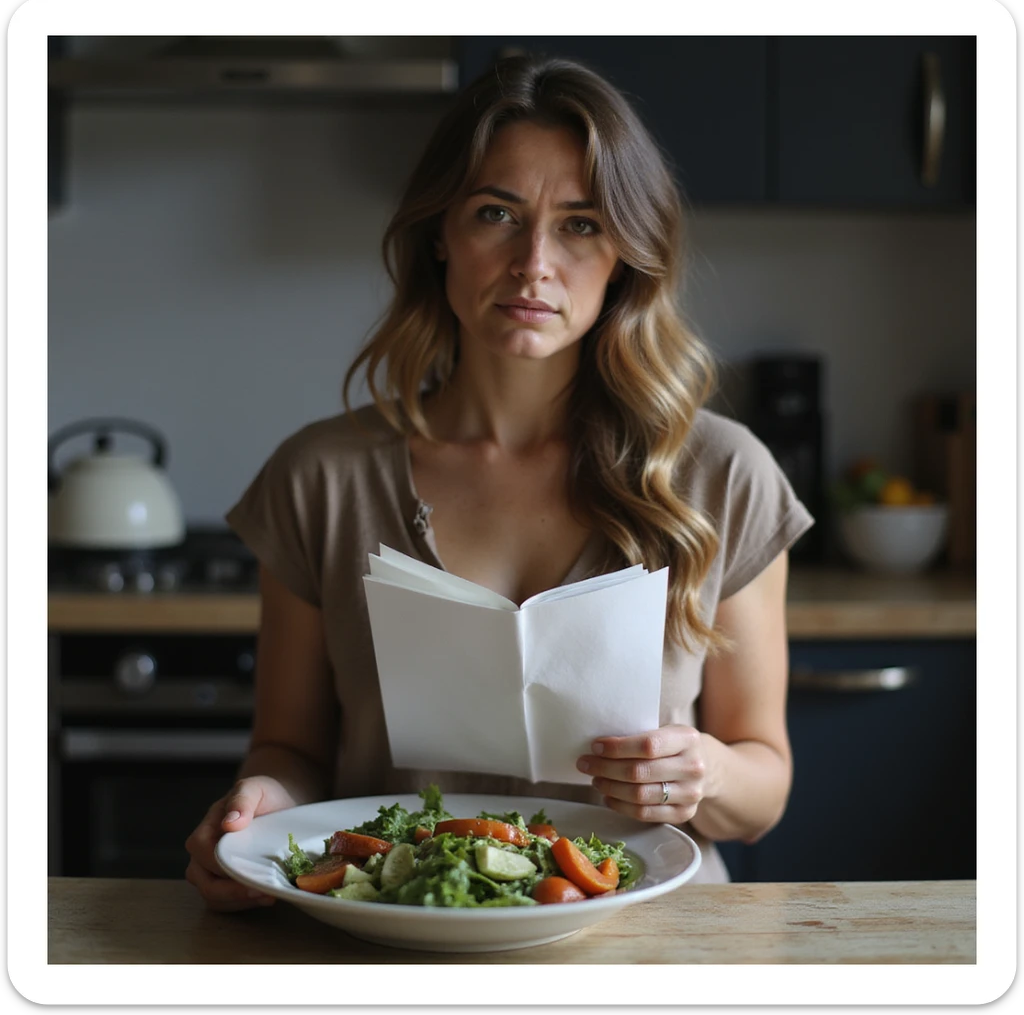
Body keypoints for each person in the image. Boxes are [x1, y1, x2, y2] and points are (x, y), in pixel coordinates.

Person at [185, 54, 813, 910]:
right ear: (440, 233)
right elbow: (290, 750)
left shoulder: (722, 473)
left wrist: (701, 772)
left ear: (627, 252)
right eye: (496, 214)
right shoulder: (319, 478)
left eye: (582, 224)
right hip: (399, 938)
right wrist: (259, 807)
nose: (533, 263)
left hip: (653, 951)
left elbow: (763, 788)